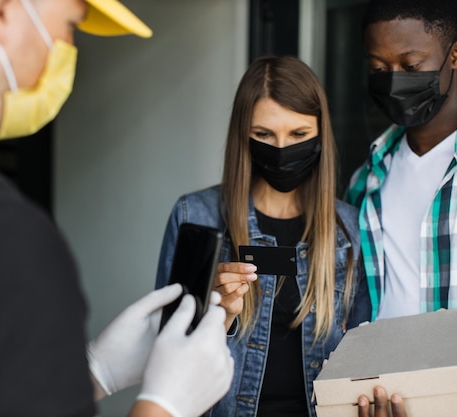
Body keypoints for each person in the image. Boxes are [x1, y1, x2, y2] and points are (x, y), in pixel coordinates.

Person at [0, 1, 233, 416]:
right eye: (68, 28)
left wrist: (92, 373)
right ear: (2, 12)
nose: (64, 52)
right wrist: (167, 405)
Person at [155, 55, 371, 417]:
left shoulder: (349, 229)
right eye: (264, 135)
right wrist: (218, 318)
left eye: (299, 135)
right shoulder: (195, 217)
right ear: (244, 135)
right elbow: (168, 356)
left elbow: (363, 356)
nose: (282, 149)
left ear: (320, 133)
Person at [345, 0, 457, 414]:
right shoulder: (366, 179)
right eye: (379, 69)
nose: (394, 80)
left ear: (455, 55)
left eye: (411, 65)